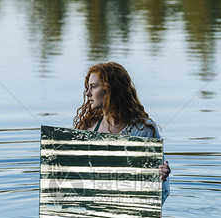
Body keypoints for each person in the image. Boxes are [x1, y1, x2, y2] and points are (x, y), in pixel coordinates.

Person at [73, 62, 171, 202]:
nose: (88, 93)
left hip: (127, 212)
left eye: (94, 87)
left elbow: (160, 193)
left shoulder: (143, 131)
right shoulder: (87, 128)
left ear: (111, 89)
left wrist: (160, 177)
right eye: (87, 87)